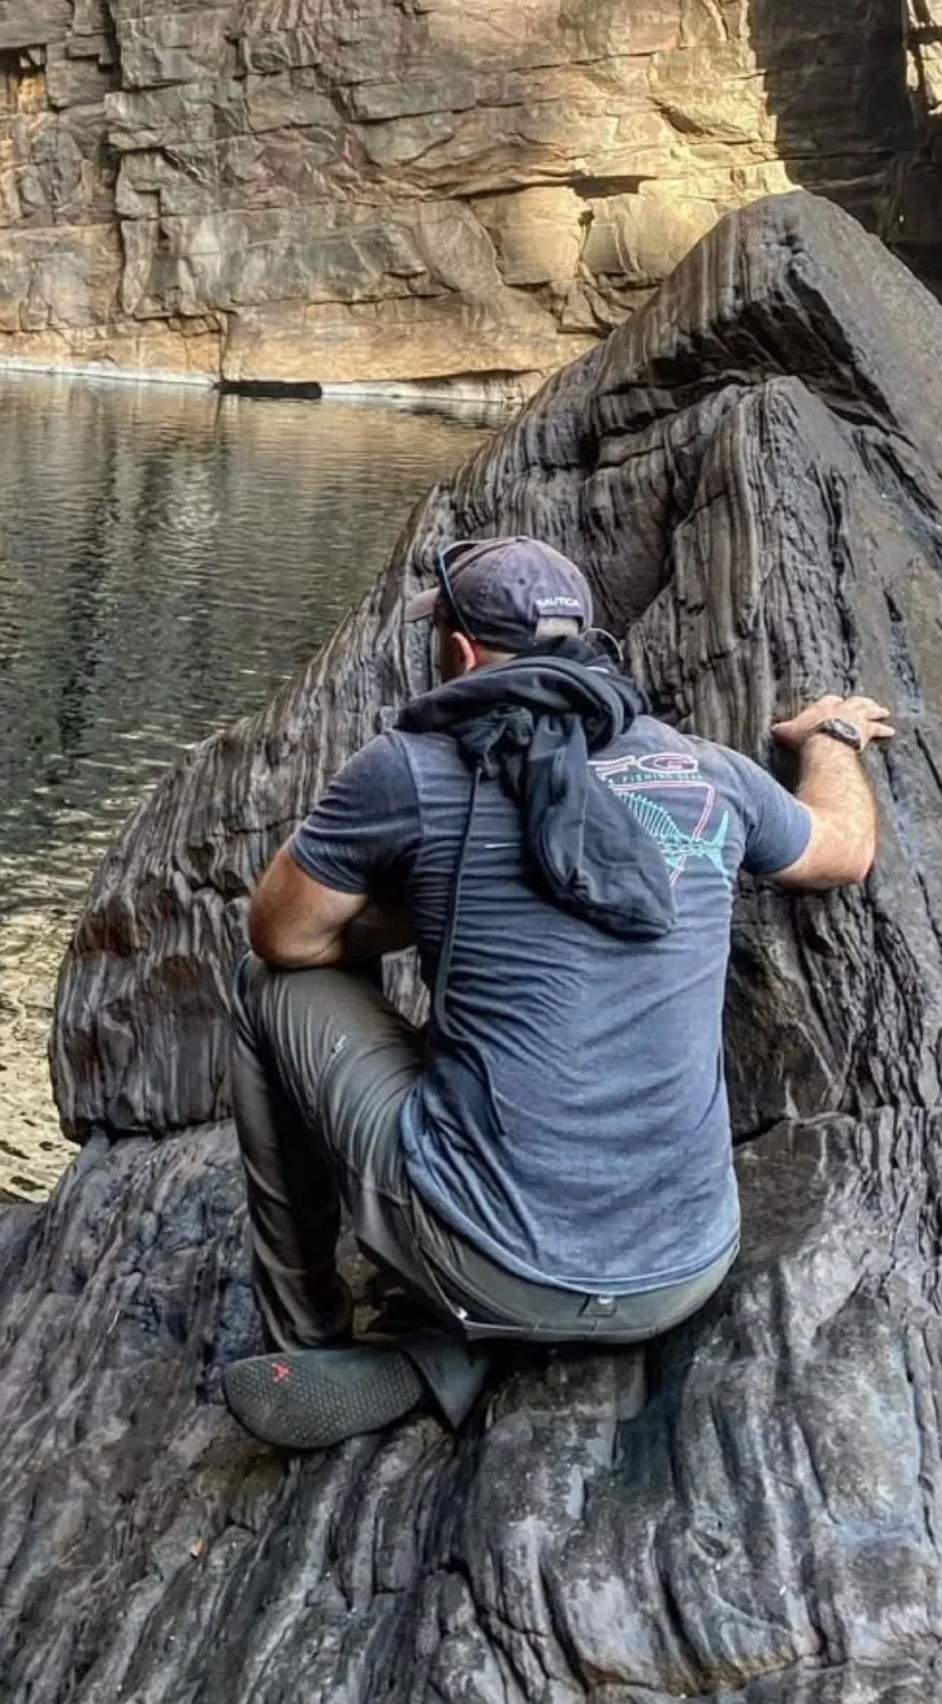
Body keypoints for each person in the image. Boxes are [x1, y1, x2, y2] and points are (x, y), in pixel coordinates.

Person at [221, 533, 893, 1450]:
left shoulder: (411, 768)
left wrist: (424, 903)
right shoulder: (710, 773)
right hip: (680, 1272)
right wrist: (833, 737)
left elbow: (284, 935)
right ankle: (475, 1337)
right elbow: (843, 851)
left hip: (495, 1265)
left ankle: (316, 1340)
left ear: (456, 651)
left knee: (263, 987)